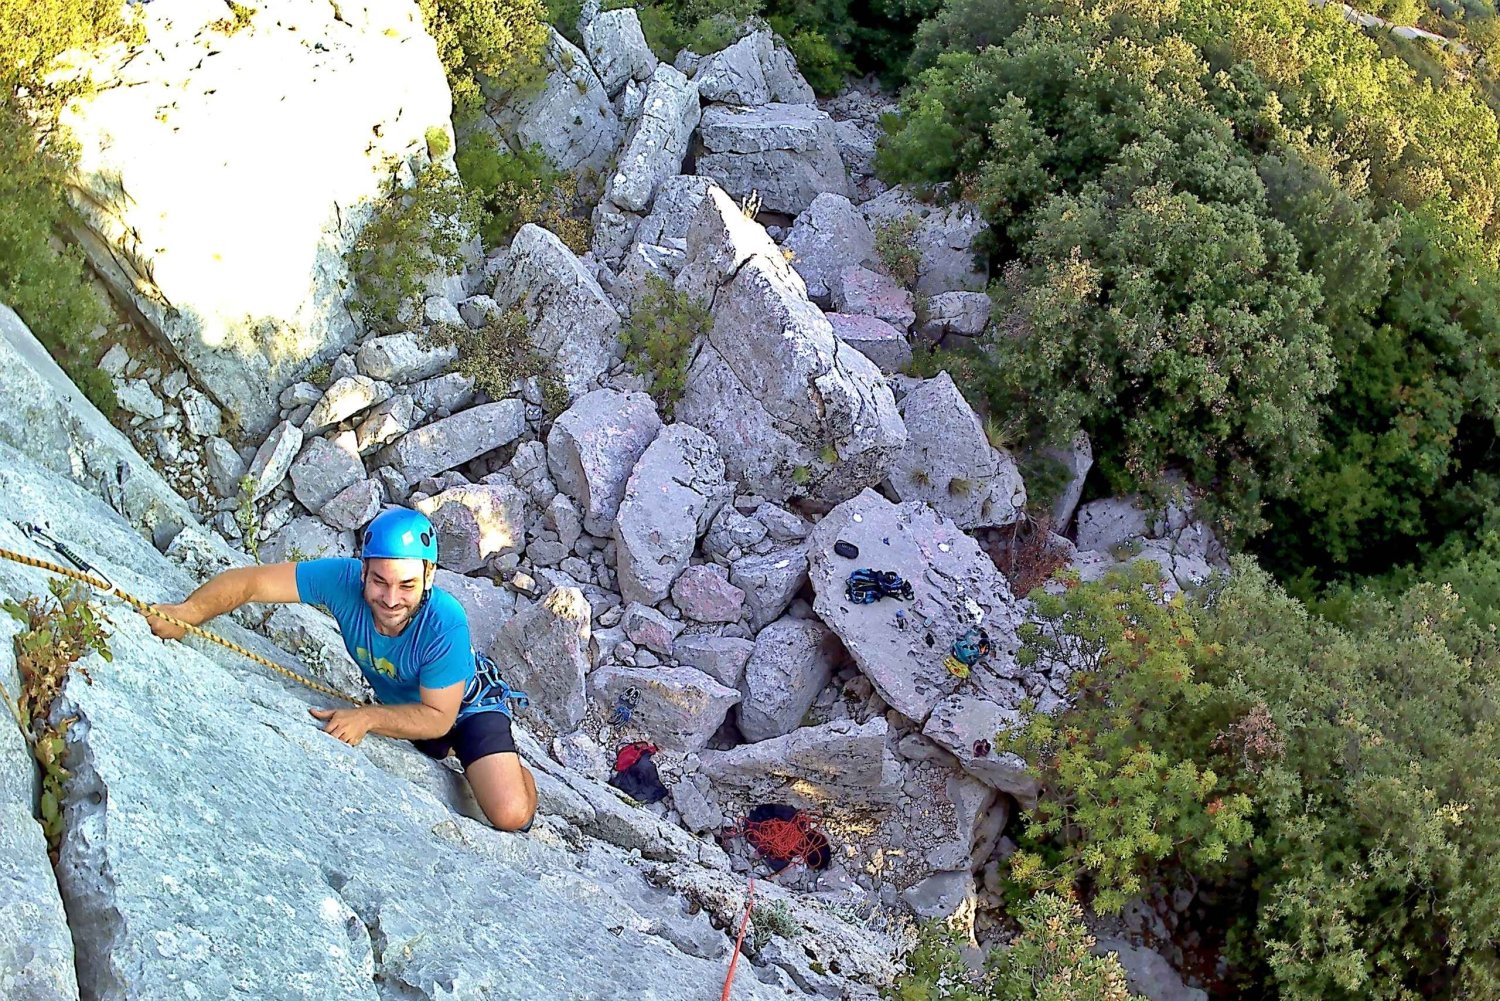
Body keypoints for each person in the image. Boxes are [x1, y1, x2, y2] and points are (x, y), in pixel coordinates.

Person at [147, 508, 537, 832]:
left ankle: (513, 769)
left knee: (510, 815)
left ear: (428, 577)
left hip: (467, 708)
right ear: (363, 570)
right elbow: (252, 582)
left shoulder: (445, 622)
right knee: (434, 748)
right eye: (380, 581)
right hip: (408, 704)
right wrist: (189, 613)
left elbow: (438, 718)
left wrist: (367, 717)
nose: (391, 599)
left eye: (407, 585)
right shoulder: (342, 581)